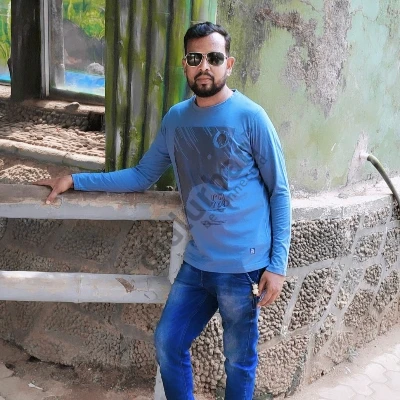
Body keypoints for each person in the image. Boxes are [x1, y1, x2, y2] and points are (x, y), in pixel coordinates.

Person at [35, 22, 291, 400]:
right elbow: (141, 176)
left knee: (239, 361)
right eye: (195, 58)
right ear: (185, 64)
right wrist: (76, 180)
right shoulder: (176, 119)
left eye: (214, 57)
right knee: (168, 343)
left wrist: (278, 265)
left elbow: (280, 191)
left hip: (244, 266)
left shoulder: (251, 117)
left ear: (229, 63)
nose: (204, 66)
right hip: (198, 264)